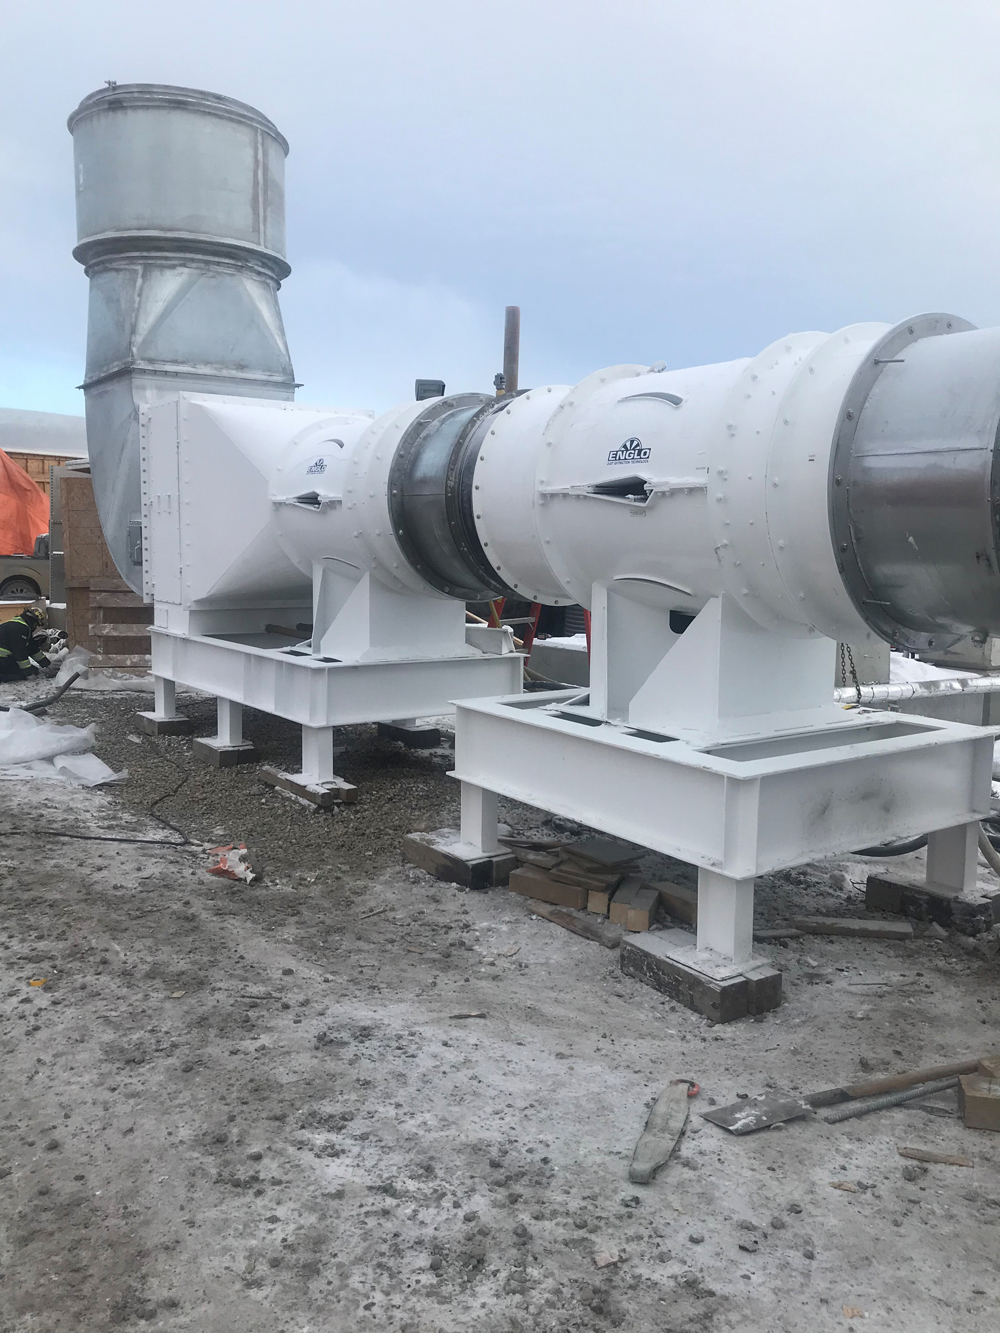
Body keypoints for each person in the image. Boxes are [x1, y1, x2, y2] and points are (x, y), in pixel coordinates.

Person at [0, 607, 52, 682]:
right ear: (33, 621)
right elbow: (19, 653)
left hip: (4, 659)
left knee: (33, 670)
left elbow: (32, 648)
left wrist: (47, 664)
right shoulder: (20, 629)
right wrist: (28, 673)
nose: (36, 627)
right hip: (2, 660)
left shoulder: (22, 626)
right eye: (36, 625)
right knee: (21, 674)